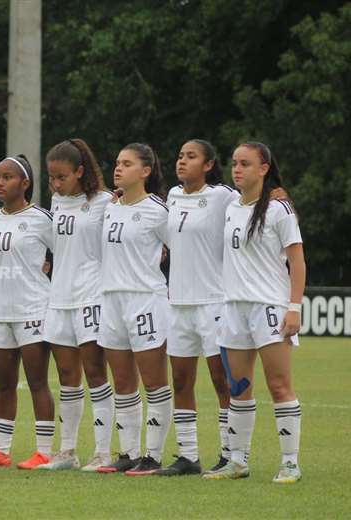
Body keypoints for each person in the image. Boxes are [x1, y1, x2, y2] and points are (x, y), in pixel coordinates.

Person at [203, 142, 305, 484]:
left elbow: (297, 261)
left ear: (263, 169)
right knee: (239, 388)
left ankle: (290, 463)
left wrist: (294, 308)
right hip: (233, 309)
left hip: (269, 309)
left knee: (279, 385)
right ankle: (238, 461)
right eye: (234, 163)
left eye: (245, 163)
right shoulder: (231, 204)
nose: (237, 169)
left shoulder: (280, 209)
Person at [155, 140, 237, 476]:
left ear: (208, 164)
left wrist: (278, 195)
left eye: (191, 157)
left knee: (222, 381)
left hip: (213, 302)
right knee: (181, 380)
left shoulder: (221, 196)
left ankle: (230, 453)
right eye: (179, 156)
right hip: (178, 303)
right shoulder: (172, 197)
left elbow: (255, 204)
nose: (182, 161)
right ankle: (188, 456)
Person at [0, 155, 55, 469]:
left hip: (33, 308)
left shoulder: (41, 218)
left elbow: (67, 254)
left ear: (26, 183)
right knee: (5, 384)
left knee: (37, 382)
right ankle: (1, 450)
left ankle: (44, 451)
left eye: (8, 177)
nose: (0, 182)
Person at [96, 143, 172, 476]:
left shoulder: (158, 209)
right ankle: (128, 452)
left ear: (145, 171)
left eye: (127, 164)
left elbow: (181, 247)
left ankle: (153, 456)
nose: (118, 168)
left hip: (145, 299)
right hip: (111, 299)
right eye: (117, 162)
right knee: (123, 381)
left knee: (154, 381)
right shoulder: (111, 206)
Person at [40, 139, 114, 471]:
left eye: (62, 177)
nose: (56, 184)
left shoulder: (105, 203)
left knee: (96, 373)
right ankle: (67, 452)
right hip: (59, 298)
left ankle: (103, 452)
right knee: (67, 375)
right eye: (52, 178)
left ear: (80, 172)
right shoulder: (56, 202)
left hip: (91, 296)